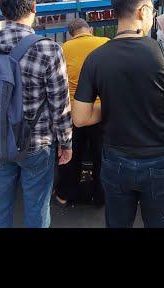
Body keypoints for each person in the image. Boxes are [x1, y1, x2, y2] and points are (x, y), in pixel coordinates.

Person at [72, 0, 164, 228]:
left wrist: (112, 106)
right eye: (153, 12)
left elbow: (80, 118)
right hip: (161, 163)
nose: (153, 18)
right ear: (143, 11)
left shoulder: (96, 58)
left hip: (115, 161)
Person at [0, 0, 73, 228]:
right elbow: (60, 104)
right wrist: (66, 143)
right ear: (34, 6)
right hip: (36, 143)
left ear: (1, 9)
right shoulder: (48, 49)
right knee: (36, 206)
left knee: (1, 202)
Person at [54, 18, 109, 207]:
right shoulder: (105, 44)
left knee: (70, 155)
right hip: (101, 111)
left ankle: (65, 195)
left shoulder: (62, 48)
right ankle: (101, 196)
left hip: (72, 111)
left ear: (71, 33)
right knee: (101, 155)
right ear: (90, 30)